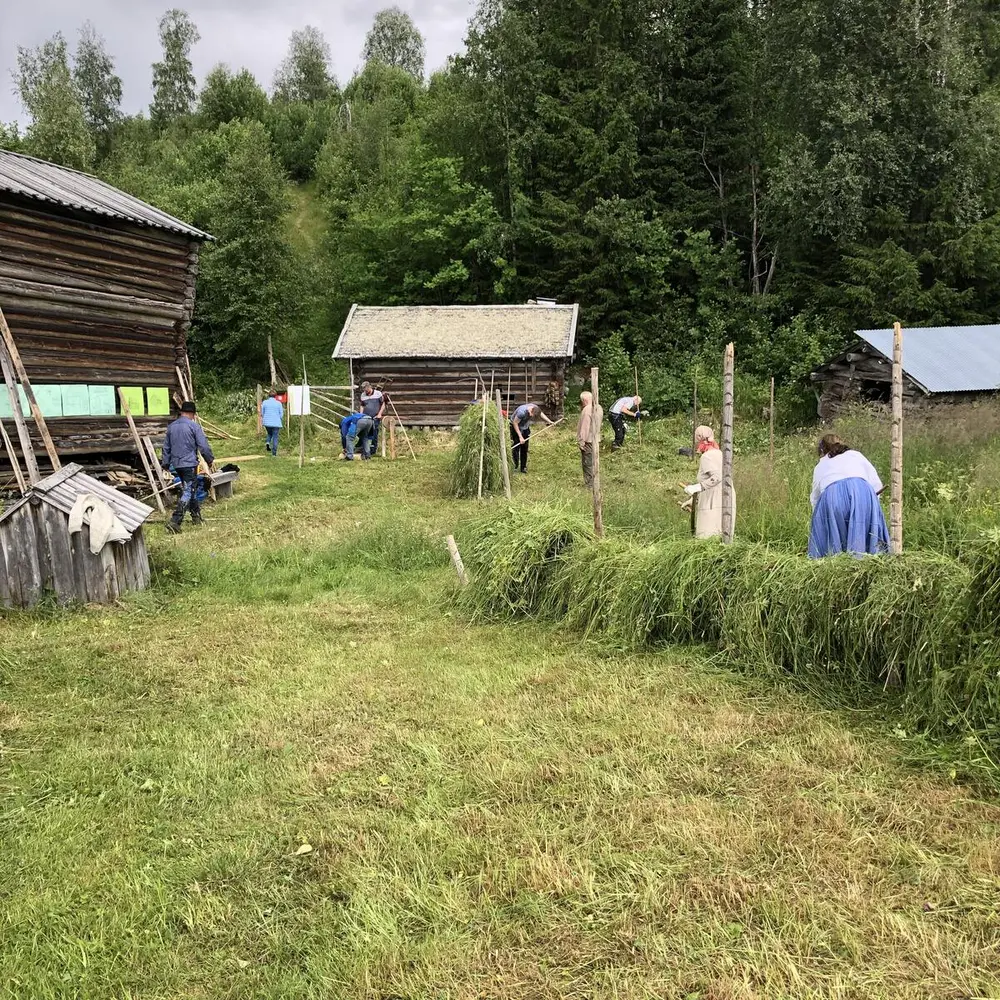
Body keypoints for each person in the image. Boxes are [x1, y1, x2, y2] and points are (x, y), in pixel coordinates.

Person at [808, 434, 889, 558]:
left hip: (832, 495)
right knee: (862, 526)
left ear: (822, 449)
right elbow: (875, 483)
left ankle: (831, 559)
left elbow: (815, 498)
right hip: (862, 490)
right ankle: (871, 556)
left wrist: (820, 521)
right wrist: (872, 506)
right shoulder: (856, 455)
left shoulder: (821, 465)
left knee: (835, 532)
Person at [161, 401, 214, 534]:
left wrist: (166, 464)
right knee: (188, 491)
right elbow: (203, 446)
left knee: (191, 488)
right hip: (189, 463)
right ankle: (175, 520)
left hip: (176, 464)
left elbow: (166, 448)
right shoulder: (193, 426)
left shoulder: (171, 427)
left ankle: (196, 517)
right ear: (192, 414)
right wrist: (209, 459)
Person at [681, 426, 733, 539]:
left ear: (700, 441)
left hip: (713, 503)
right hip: (725, 499)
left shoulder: (707, 456)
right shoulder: (720, 453)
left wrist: (697, 487)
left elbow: (717, 477)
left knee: (708, 536)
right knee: (722, 536)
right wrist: (694, 500)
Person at [509, 402, 554, 474]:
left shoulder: (535, 408)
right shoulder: (521, 412)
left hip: (525, 427)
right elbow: (515, 423)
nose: (531, 416)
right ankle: (514, 466)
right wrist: (520, 437)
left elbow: (541, 413)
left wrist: (549, 421)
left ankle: (523, 467)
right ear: (531, 410)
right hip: (515, 427)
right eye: (531, 414)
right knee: (516, 447)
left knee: (525, 447)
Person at [577, 390, 603, 487]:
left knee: (587, 463)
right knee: (594, 461)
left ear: (584, 400)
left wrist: (581, 441)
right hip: (596, 439)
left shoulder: (587, 410)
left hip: (588, 440)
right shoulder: (599, 407)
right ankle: (595, 482)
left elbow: (585, 426)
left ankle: (590, 485)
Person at [359, 381, 386, 455]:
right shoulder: (363, 395)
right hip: (366, 418)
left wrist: (380, 414)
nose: (365, 391)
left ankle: (373, 449)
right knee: (364, 433)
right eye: (364, 390)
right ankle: (364, 448)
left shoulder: (378, 394)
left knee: (374, 433)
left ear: (370, 387)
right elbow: (362, 405)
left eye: (366, 390)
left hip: (375, 417)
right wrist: (360, 415)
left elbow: (383, 404)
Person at [261, 389, 284, 457]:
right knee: (275, 437)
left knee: (269, 433)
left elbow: (262, 413)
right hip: (276, 423)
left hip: (267, 422)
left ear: (268, 395)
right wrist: (279, 418)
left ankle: (267, 442)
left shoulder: (264, 402)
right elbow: (281, 414)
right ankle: (274, 453)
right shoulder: (279, 403)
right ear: (275, 396)